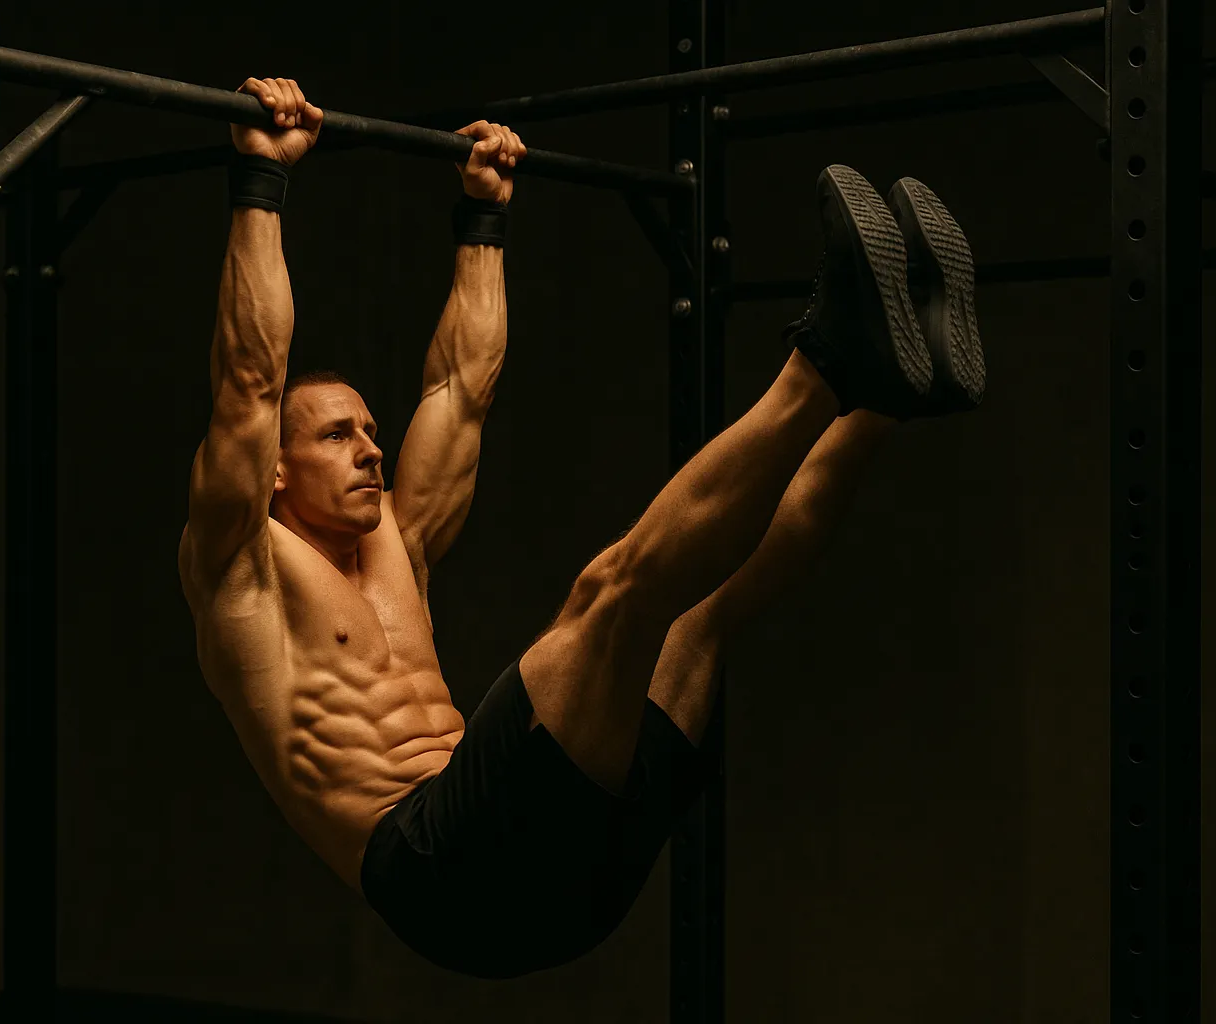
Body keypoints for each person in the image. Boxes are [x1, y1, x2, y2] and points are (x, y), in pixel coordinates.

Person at [178, 75, 985, 980]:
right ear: (274, 469)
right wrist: (262, 182)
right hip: (446, 881)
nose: (372, 449)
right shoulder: (240, 563)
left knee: (699, 611)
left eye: (370, 429)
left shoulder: (398, 540)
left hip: (565, 860)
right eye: (338, 435)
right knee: (613, 594)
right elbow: (250, 380)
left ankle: (880, 399)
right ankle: (828, 356)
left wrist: (484, 217)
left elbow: (461, 388)